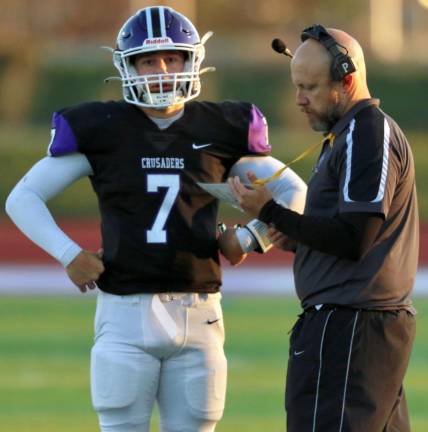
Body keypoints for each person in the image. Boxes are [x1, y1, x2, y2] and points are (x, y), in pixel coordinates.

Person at [5, 7, 307, 432]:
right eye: (147, 60)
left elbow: (294, 191)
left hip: (199, 310)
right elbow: (24, 198)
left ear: (192, 60)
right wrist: (68, 253)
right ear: (127, 66)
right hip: (125, 311)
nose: (161, 70)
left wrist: (251, 237)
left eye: (172, 57)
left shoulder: (221, 126)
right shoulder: (102, 126)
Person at [229, 24, 418, 432]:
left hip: (351, 327)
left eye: (310, 88)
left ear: (347, 81)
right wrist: (297, 240)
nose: (299, 99)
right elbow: (348, 234)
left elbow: (357, 238)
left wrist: (270, 213)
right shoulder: (348, 134)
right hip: (358, 326)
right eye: (297, 85)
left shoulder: (368, 132)